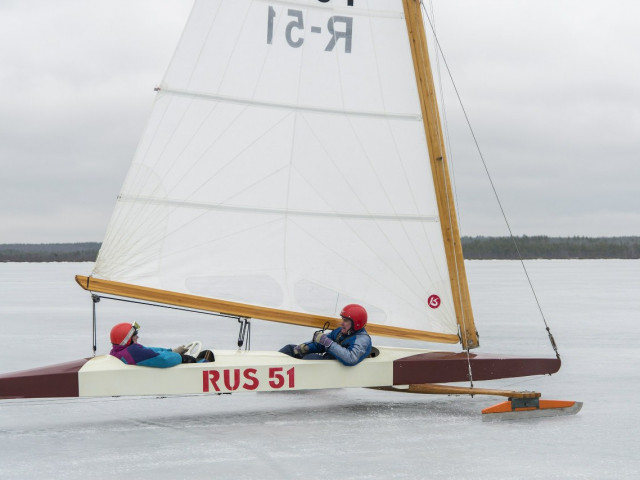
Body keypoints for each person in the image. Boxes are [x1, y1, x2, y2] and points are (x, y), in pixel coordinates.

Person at [279, 304, 372, 366]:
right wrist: (306, 347)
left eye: (346, 321)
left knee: (310, 359)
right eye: (342, 319)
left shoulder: (362, 339)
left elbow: (351, 358)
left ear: (356, 323)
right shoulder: (339, 331)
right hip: (328, 362)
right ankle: (274, 365)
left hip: (336, 367)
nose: (341, 323)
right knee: (290, 349)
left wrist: (329, 344)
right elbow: (321, 343)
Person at [109, 322, 214, 367]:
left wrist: (172, 351)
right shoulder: (133, 352)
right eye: (135, 334)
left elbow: (149, 351)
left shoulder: (119, 351)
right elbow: (163, 360)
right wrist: (181, 358)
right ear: (126, 339)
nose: (137, 336)